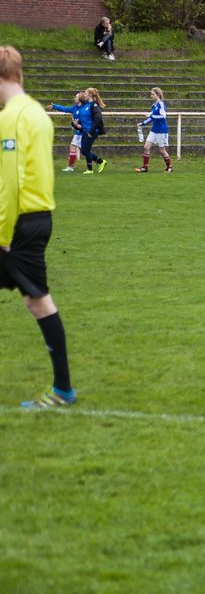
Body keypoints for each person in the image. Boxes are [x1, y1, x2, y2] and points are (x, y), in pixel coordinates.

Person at [0, 47, 75, 409]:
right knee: (36, 300)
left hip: (19, 223)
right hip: (39, 215)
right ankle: (63, 388)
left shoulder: (11, 118)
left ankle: (63, 389)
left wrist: (2, 236)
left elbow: (12, 182)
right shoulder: (39, 115)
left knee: (39, 300)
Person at [135, 87, 172, 173]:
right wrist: (143, 123)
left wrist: (150, 116)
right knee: (146, 147)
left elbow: (163, 116)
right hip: (154, 130)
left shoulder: (161, 104)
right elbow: (151, 117)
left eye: (153, 94)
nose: (151, 96)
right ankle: (145, 167)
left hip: (161, 130)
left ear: (158, 95)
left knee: (162, 150)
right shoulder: (154, 105)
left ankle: (169, 167)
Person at [49, 91, 86, 172]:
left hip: (83, 132)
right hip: (78, 133)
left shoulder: (85, 108)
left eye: (76, 97)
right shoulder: (75, 107)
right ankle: (70, 167)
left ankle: (99, 161)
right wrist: (55, 106)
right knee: (74, 148)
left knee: (84, 150)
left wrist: (78, 125)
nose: (75, 98)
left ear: (80, 99)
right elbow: (65, 109)